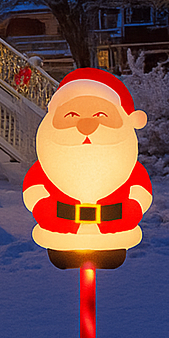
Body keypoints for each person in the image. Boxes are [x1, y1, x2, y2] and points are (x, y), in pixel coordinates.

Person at [23, 68, 151, 269]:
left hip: (114, 226)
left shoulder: (128, 164)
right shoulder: (47, 164)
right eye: (72, 114)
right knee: (64, 257)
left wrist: (134, 205)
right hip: (61, 227)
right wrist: (41, 204)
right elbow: (34, 188)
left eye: (100, 114)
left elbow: (140, 190)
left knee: (110, 257)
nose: (86, 124)